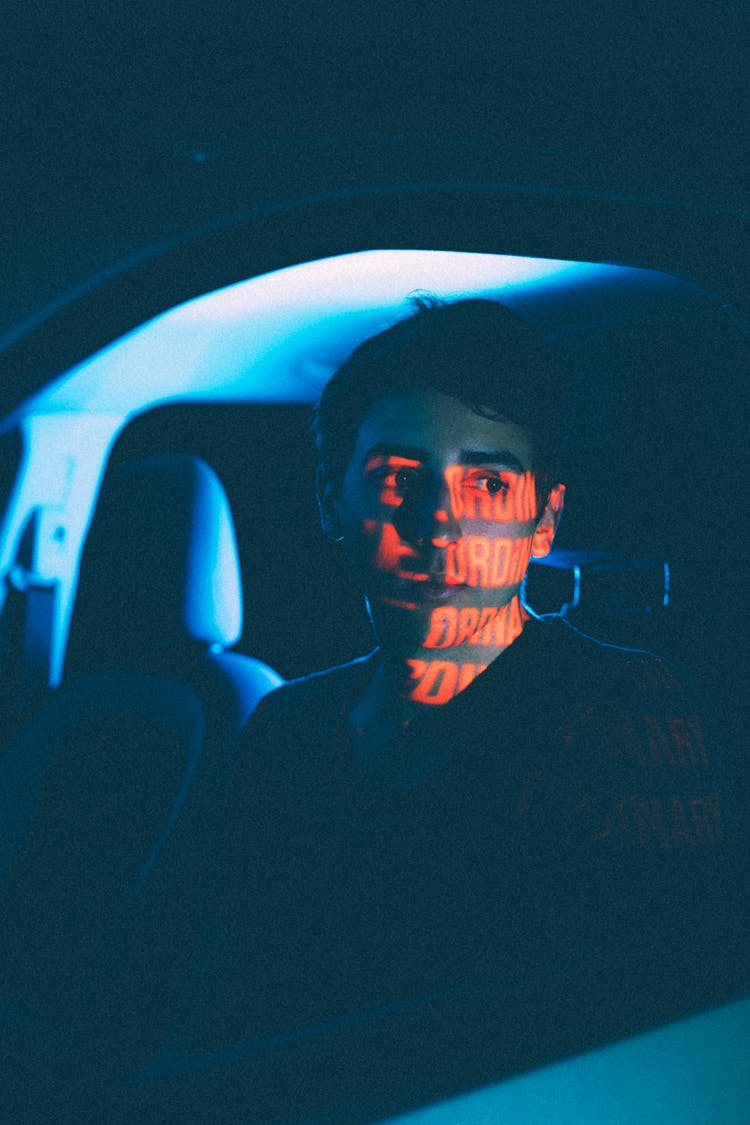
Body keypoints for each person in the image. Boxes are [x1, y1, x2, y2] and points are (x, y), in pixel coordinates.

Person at [175, 298, 746, 1109]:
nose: (440, 522)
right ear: (333, 502)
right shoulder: (284, 728)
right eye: (399, 477)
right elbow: (210, 988)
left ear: (543, 521)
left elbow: (660, 1027)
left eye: (487, 480)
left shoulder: (625, 712)